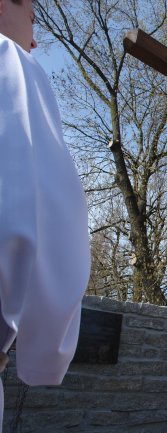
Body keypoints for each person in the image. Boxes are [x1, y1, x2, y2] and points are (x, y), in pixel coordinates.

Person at [0, 0, 91, 429]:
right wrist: (46, 347)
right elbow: (51, 219)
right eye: (32, 18)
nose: (35, 40)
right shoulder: (11, 64)